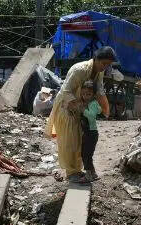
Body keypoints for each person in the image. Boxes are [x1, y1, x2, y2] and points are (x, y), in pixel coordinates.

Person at [47, 47, 114, 184]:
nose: (105, 67)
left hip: (79, 110)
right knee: (69, 143)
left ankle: (77, 170)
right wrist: (81, 108)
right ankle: (71, 172)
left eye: (108, 65)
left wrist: (106, 109)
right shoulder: (80, 70)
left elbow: (99, 91)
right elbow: (66, 91)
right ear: (96, 59)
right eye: (103, 64)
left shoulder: (98, 73)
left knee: (79, 142)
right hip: (66, 108)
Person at [78, 81, 104, 182]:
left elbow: (92, 116)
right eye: (83, 94)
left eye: (88, 94)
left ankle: (88, 175)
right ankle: (93, 173)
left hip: (91, 133)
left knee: (86, 154)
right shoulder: (87, 103)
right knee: (87, 153)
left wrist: (83, 110)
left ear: (93, 94)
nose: (85, 96)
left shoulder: (92, 103)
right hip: (88, 133)